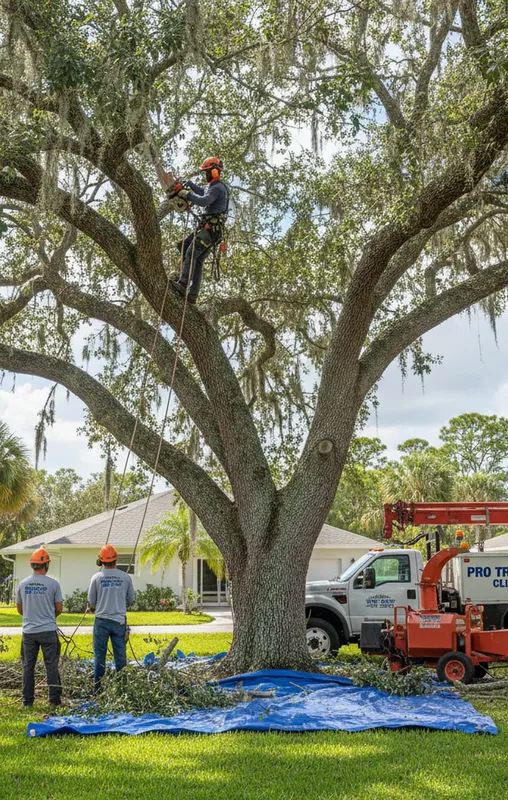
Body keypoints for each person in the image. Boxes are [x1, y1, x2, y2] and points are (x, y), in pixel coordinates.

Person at [170, 157, 229, 304]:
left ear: (214, 171)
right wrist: (189, 185)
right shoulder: (213, 186)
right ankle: (193, 295)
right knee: (188, 250)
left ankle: (183, 284)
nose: (206, 174)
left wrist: (187, 194)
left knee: (191, 251)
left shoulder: (218, 187)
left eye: (207, 171)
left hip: (211, 230)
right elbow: (203, 192)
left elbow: (204, 200)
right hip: (208, 230)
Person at [15, 548, 63, 708]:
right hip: (48, 631)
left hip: (29, 632)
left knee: (28, 666)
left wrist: (32, 616)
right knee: (51, 665)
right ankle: (54, 701)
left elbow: (20, 609)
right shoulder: (53, 584)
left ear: (32, 565)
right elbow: (59, 608)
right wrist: (48, 617)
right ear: (46, 564)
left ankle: (27, 702)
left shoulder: (23, 584)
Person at [88, 543, 135, 693]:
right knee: (120, 657)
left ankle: (98, 690)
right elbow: (131, 599)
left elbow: (92, 602)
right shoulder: (125, 577)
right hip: (119, 621)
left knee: (99, 657)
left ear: (100, 561)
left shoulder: (96, 578)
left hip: (101, 621)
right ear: (116, 560)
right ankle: (122, 689)